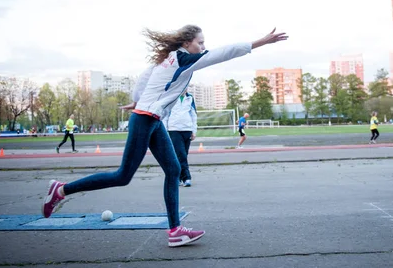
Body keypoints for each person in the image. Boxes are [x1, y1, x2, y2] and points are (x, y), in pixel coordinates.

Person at [42, 25, 288, 247]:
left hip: (152, 118)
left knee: (173, 170)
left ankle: (175, 231)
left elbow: (145, 77)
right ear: (187, 43)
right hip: (145, 119)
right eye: (200, 43)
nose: (203, 47)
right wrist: (260, 42)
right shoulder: (183, 59)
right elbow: (222, 53)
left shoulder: (168, 59)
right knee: (122, 176)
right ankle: (62, 190)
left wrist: (136, 100)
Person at [163, 88, 197, 187]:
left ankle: (176, 178)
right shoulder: (172, 97)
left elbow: (194, 115)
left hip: (187, 129)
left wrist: (194, 130)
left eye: (186, 86)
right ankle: (187, 177)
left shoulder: (190, 98)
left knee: (183, 155)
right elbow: (166, 115)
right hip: (174, 129)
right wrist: (165, 131)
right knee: (181, 154)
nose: (185, 88)